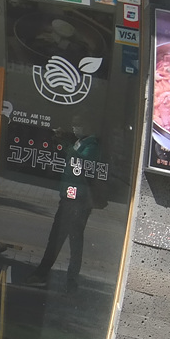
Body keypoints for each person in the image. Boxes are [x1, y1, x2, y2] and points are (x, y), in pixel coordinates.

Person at [20, 122, 102, 293]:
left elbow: (81, 162)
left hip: (78, 201)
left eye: (78, 123)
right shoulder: (79, 142)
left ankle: (69, 280)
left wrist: (66, 144)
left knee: (73, 241)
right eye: (74, 124)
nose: (75, 127)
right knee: (57, 238)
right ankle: (45, 275)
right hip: (68, 199)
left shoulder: (92, 145)